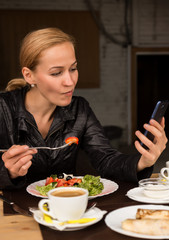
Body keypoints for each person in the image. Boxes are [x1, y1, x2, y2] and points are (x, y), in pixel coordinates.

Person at [0, 27, 167, 189]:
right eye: (56, 73)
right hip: (13, 210)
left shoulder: (79, 109)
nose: (70, 81)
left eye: (73, 69)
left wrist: (142, 162)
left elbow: (105, 160)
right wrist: (7, 172)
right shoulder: (3, 108)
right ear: (29, 75)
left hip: (68, 209)